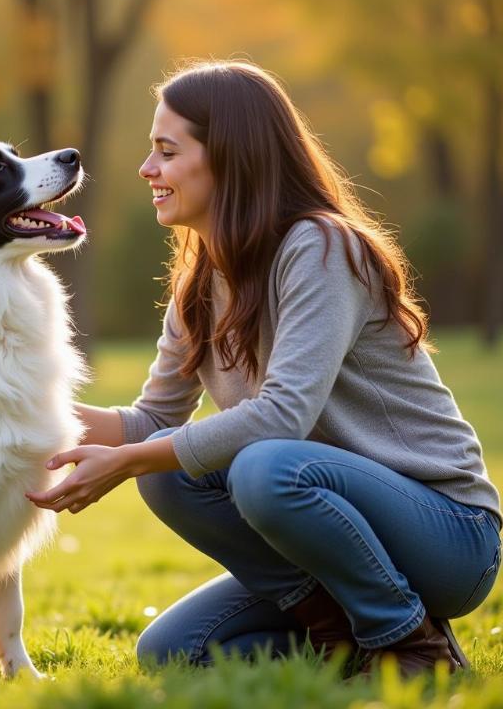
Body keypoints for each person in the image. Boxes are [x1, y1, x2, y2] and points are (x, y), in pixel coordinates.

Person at [25, 60, 502, 676]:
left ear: (229, 158)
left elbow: (284, 415)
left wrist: (132, 460)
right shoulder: (200, 283)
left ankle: (412, 643)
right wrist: (0, 408)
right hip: (329, 529)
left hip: (448, 535)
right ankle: (341, 636)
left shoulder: (322, 248)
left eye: (166, 152)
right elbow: (150, 422)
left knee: (256, 465)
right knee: (173, 651)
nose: (147, 170)